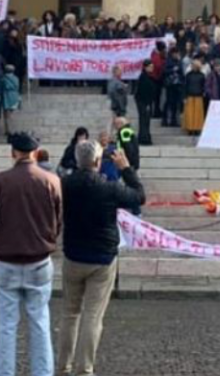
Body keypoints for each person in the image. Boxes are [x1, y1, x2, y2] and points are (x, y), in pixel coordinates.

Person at [58, 140, 146, 376]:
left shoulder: (64, 184)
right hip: (102, 257)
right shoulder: (110, 187)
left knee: (69, 313)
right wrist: (126, 168)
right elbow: (139, 196)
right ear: (98, 162)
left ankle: (62, 367)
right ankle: (84, 369)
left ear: (77, 160)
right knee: (93, 315)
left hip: (73, 253)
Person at [0, 132, 63, 376]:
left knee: (6, 326)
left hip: (5, 258)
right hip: (38, 258)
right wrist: (48, 239)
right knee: (40, 324)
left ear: (13, 153)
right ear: (36, 152)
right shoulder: (52, 180)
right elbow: (58, 220)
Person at [135, 61, 159, 146]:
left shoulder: (148, 77)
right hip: (144, 102)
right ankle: (144, 138)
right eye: (150, 67)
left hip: (146, 102)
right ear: (146, 67)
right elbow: (143, 92)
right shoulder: (144, 78)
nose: (152, 68)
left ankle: (145, 137)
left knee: (146, 121)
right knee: (144, 120)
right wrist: (147, 103)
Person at [182, 58, 207, 135]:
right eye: (193, 65)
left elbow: (204, 86)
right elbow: (185, 86)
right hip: (189, 96)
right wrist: (184, 97)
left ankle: (197, 129)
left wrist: (204, 94)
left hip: (199, 97)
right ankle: (190, 129)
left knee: (198, 114)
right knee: (190, 114)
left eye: (196, 65)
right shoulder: (188, 75)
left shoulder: (202, 75)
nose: (194, 67)